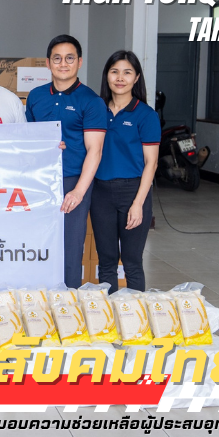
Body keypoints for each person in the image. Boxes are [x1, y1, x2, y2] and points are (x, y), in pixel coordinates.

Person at [26, 35, 107, 289]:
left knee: (70, 247)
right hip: (40, 180)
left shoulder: (91, 101)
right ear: (48, 63)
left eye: (69, 58)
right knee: (37, 243)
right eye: (57, 58)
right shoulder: (35, 96)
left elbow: (95, 150)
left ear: (79, 62)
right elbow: (28, 139)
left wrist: (79, 191)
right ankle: (38, 299)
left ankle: (68, 302)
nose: (63, 64)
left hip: (72, 180)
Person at [90, 51, 160, 293]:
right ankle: (109, 314)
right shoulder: (96, 110)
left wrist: (138, 204)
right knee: (106, 260)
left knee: (132, 262)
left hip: (133, 192)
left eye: (127, 72)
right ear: (107, 76)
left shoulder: (146, 115)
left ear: (136, 77)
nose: (120, 78)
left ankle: (135, 314)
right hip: (100, 193)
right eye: (115, 72)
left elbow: (151, 163)